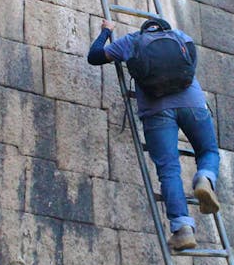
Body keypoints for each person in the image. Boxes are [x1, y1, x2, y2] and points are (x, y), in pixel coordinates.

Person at [86, 18, 220, 251]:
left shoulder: (131, 41)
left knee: (169, 170)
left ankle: (182, 229)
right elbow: (191, 67)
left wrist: (106, 32)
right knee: (207, 150)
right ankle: (204, 178)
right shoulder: (181, 36)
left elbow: (94, 56)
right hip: (194, 105)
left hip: (157, 111)